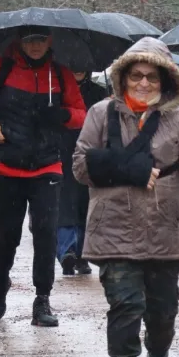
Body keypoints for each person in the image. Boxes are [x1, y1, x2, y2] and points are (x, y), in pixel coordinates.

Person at [72, 37, 179, 357]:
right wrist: (132, 170)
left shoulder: (177, 118)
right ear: (123, 78)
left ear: (165, 81)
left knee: (161, 311)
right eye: (136, 75)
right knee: (125, 305)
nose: (143, 84)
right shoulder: (100, 114)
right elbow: (80, 165)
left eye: (152, 77)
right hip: (112, 227)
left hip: (164, 229)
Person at [0, 26, 86, 327]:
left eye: (40, 40)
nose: (35, 46)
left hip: (47, 166)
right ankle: (0, 284)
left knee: (46, 232)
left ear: (49, 41)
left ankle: (42, 300)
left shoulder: (60, 74)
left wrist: (63, 116)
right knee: (8, 235)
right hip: (6, 165)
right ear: (19, 42)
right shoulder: (1, 68)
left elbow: (81, 113)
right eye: (29, 40)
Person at [57, 71, 107, 276]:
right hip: (61, 152)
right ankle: (66, 251)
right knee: (64, 203)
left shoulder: (99, 93)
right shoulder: (56, 91)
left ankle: (83, 254)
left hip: (90, 155)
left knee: (86, 204)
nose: (77, 69)